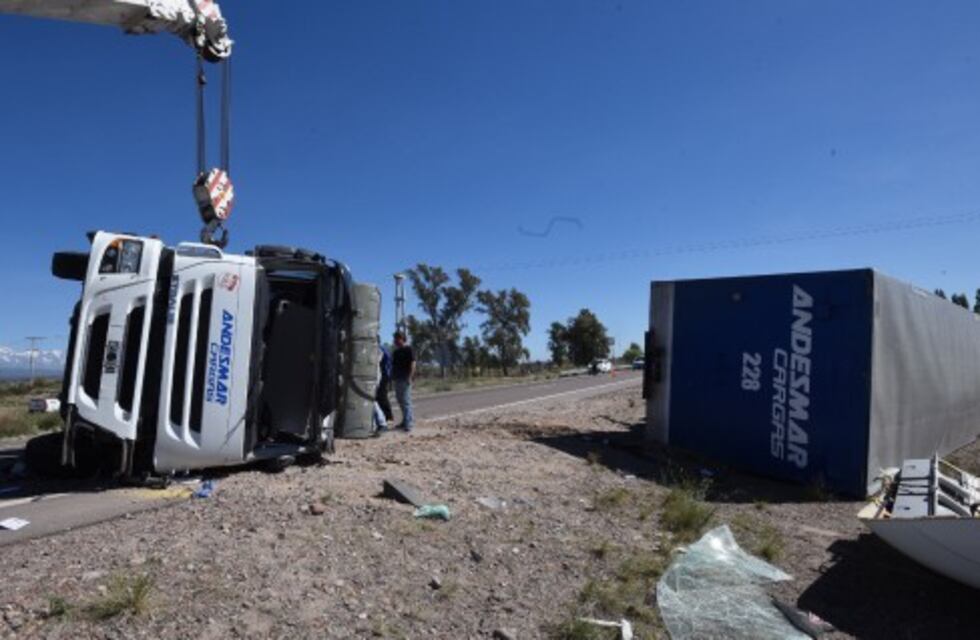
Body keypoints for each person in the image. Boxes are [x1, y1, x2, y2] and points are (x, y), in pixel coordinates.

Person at [391, 331, 415, 432]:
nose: (395, 340)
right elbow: (394, 366)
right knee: (400, 401)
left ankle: (409, 423)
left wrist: (410, 377)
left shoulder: (409, 349)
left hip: (405, 378)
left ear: (402, 339)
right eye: (395, 338)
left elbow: (413, 363)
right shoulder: (396, 352)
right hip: (397, 378)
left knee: (406, 401)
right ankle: (404, 421)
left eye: (398, 338)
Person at [375, 339, 394, 427]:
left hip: (383, 375)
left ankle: (388, 417)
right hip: (385, 375)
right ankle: (386, 417)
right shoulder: (382, 348)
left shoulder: (379, 349)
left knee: (381, 397)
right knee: (380, 397)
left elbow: (377, 361)